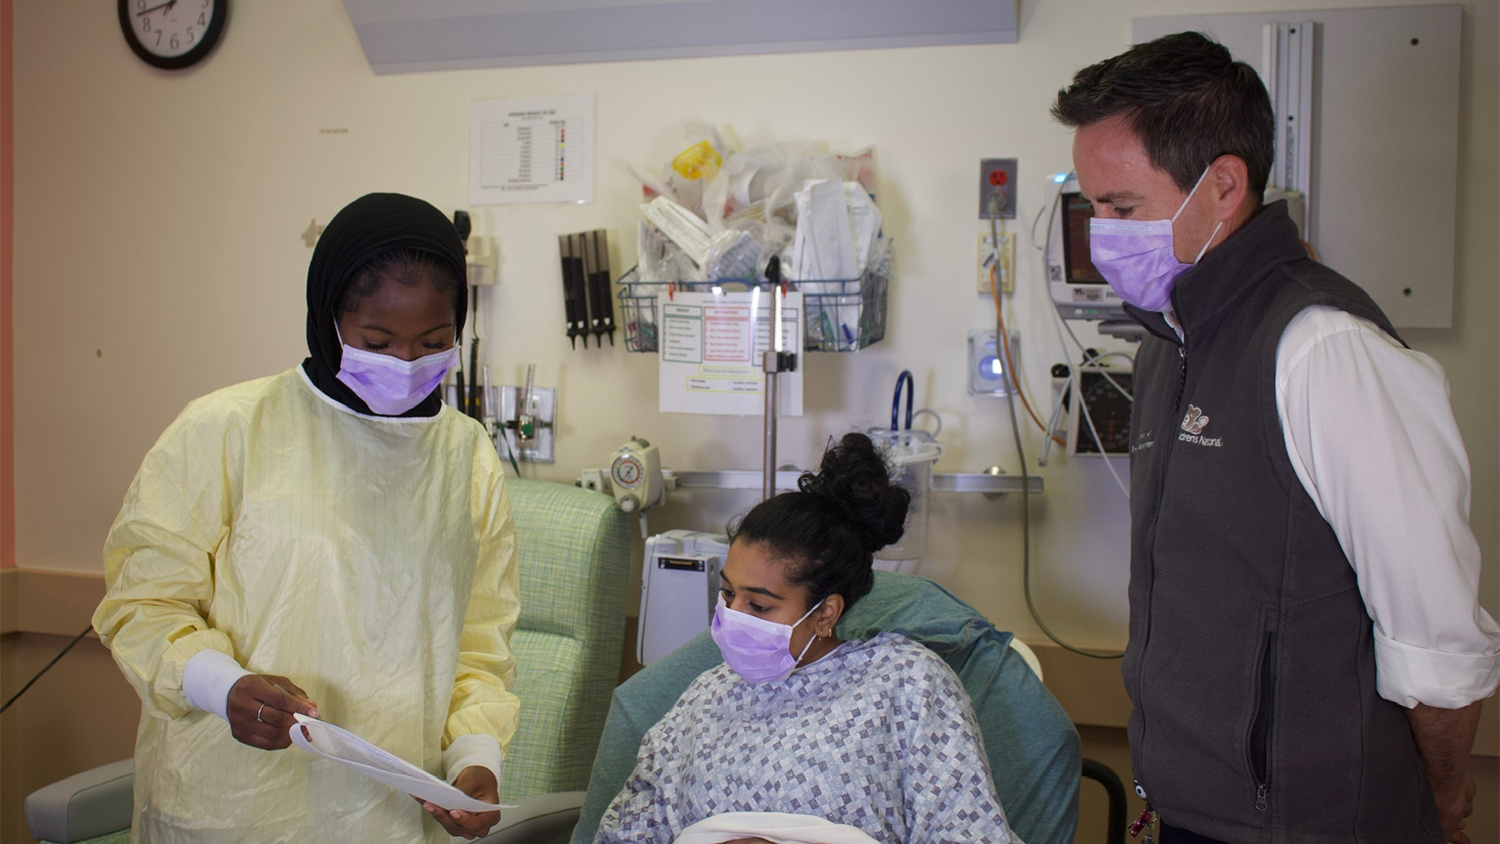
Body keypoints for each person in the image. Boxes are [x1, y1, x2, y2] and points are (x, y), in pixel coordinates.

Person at [1051, 32, 1498, 844]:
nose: (1099, 237)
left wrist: (1443, 797)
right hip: (1194, 805)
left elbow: (1437, 641)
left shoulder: (1324, 349)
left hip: (1313, 820)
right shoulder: (1166, 346)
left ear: (1222, 186)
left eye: (1120, 209)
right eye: (1091, 209)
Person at [93, 193, 521, 843]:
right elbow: (142, 602)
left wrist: (474, 760)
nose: (406, 363)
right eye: (378, 341)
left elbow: (479, 647)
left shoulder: (467, 460)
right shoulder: (227, 430)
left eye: (433, 343)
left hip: (391, 815)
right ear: (327, 321)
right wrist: (220, 685)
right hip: (233, 807)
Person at [594, 433, 1017, 844]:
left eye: (759, 606)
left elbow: (969, 831)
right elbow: (628, 831)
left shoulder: (906, 684)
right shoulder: (705, 697)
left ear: (825, 613)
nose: (731, 616)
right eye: (727, 594)